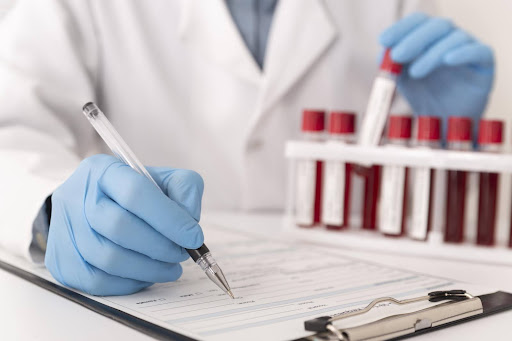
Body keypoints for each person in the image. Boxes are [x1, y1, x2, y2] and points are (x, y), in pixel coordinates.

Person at [0, 0, 494, 295]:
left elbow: (405, 205)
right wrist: (50, 207)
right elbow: (11, 129)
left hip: (338, 277)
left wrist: (445, 143)